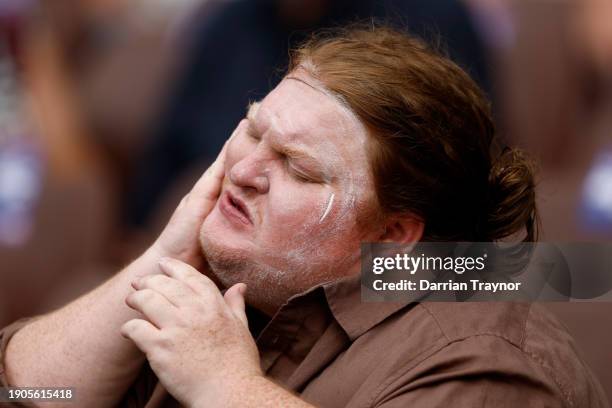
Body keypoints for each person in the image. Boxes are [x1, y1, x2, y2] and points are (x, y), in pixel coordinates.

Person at [1, 26, 609, 408]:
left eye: (298, 167)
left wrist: (225, 387)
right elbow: (26, 392)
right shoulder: (222, 271)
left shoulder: (489, 358)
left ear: (394, 236)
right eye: (253, 130)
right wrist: (157, 260)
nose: (243, 171)